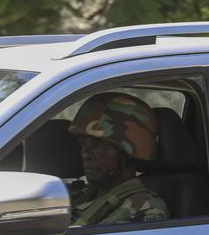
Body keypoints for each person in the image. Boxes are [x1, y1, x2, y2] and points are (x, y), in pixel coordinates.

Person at [67, 92, 168, 225]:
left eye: (98, 144)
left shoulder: (144, 209)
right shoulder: (82, 195)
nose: (85, 154)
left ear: (128, 152)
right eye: (83, 143)